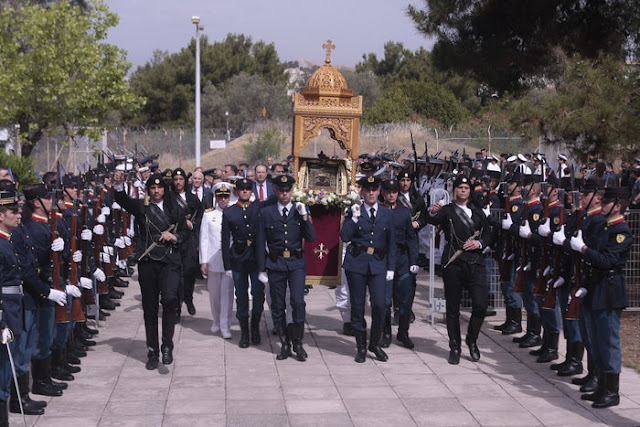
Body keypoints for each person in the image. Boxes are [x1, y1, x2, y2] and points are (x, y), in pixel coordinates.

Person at [113, 170, 189, 370]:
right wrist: (118, 184)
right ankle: (153, 350)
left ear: (165, 189)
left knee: (171, 300)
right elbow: (121, 200)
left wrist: (175, 237)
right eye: (152, 188)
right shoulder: (142, 207)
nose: (156, 191)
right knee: (150, 307)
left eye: (159, 188)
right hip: (148, 261)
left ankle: (167, 344)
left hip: (170, 260)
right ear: (148, 190)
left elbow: (184, 232)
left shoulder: (176, 208)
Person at [571, 186, 633, 408]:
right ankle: (601, 384)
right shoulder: (605, 227)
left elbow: (607, 261)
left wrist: (584, 249)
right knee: (594, 339)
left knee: (608, 342)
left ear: (617, 206)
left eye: (606, 202)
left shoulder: (621, 231)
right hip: (595, 287)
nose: (601, 204)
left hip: (608, 292)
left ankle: (611, 391)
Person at [427, 175, 492, 364]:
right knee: (453, 308)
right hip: (453, 262)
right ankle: (454, 345)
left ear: (470, 191)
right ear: (454, 190)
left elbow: (488, 234)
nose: (463, 190)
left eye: (466, 187)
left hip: (475, 262)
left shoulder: (477, 211)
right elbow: (431, 220)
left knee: (480, 305)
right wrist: (432, 211)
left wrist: (479, 243)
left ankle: (472, 340)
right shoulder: (447, 210)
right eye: (460, 187)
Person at [257, 175, 315, 361]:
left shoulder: (300, 210)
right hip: (275, 263)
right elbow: (260, 243)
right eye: (281, 190)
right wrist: (261, 269)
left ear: (292, 191)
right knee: (278, 304)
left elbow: (312, 237)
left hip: (296, 263)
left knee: (298, 302)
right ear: (275, 190)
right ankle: (285, 343)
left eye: (287, 190)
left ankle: (297, 341)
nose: (284, 193)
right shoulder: (267, 213)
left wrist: (305, 216)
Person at [340, 175, 396, 363]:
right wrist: (354, 218)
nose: (371, 193)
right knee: (357, 306)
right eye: (367, 189)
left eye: (374, 189)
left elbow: (392, 243)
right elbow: (345, 237)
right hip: (357, 262)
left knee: (380, 305)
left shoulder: (387, 214)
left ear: (379, 191)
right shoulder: (354, 211)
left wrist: (391, 267)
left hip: (379, 263)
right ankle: (361, 346)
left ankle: (375, 343)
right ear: (362, 191)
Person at [221, 178, 265, 347]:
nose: (245, 191)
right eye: (242, 189)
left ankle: (255, 328)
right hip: (238, 257)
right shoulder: (229, 212)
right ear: (236, 192)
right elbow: (225, 240)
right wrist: (227, 265)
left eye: (248, 189)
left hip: (256, 257)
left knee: (258, 293)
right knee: (241, 296)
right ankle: (244, 333)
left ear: (252, 191)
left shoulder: (258, 208)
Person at [380, 179, 419, 349]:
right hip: (384, 260)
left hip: (402, 260)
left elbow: (411, 238)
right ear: (383, 192)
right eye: (388, 191)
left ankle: (403, 332)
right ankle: (386, 332)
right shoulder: (379, 211)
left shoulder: (404, 212)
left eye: (394, 191)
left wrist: (414, 261)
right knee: (385, 301)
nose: (391, 194)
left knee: (405, 300)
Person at [200, 184, 234, 338]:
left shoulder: (234, 213)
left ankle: (225, 324)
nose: (223, 200)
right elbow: (204, 239)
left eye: (226, 196)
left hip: (229, 261)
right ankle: (216, 320)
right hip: (213, 259)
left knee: (227, 293)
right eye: (220, 196)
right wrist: (203, 261)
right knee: (214, 294)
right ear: (216, 197)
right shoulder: (209, 215)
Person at [171, 168, 202, 318]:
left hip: (189, 241)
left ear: (185, 181)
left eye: (181, 179)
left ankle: (188, 299)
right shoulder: (169, 198)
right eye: (175, 179)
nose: (178, 182)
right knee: (176, 276)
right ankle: (176, 307)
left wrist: (193, 224)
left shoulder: (193, 199)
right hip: (175, 240)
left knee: (189, 273)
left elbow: (201, 217)